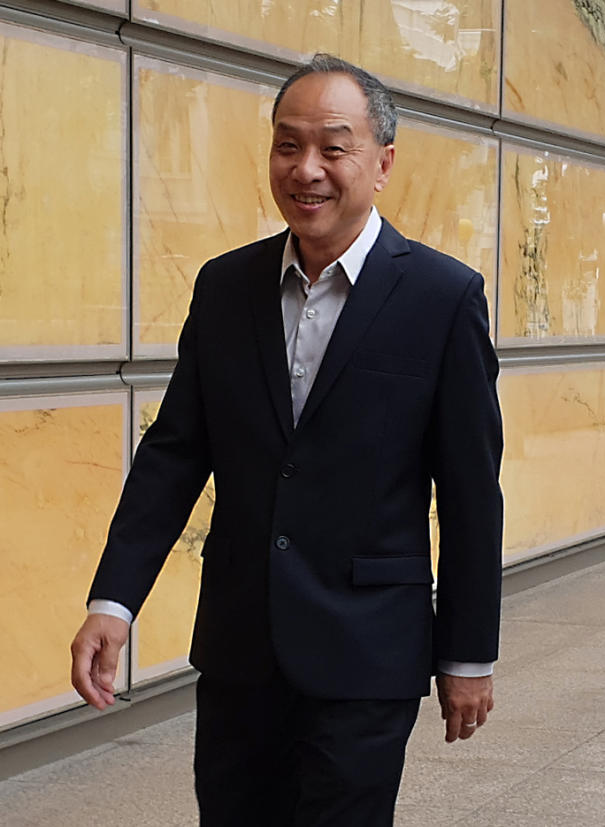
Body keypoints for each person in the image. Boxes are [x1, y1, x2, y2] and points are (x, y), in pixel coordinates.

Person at [68, 54, 503, 825]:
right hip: (240, 647)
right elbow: (174, 454)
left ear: (383, 162)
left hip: (368, 653)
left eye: (334, 148)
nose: (308, 170)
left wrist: (466, 655)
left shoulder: (444, 297)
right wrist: (115, 598)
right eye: (287, 145)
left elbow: (471, 494)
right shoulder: (224, 287)